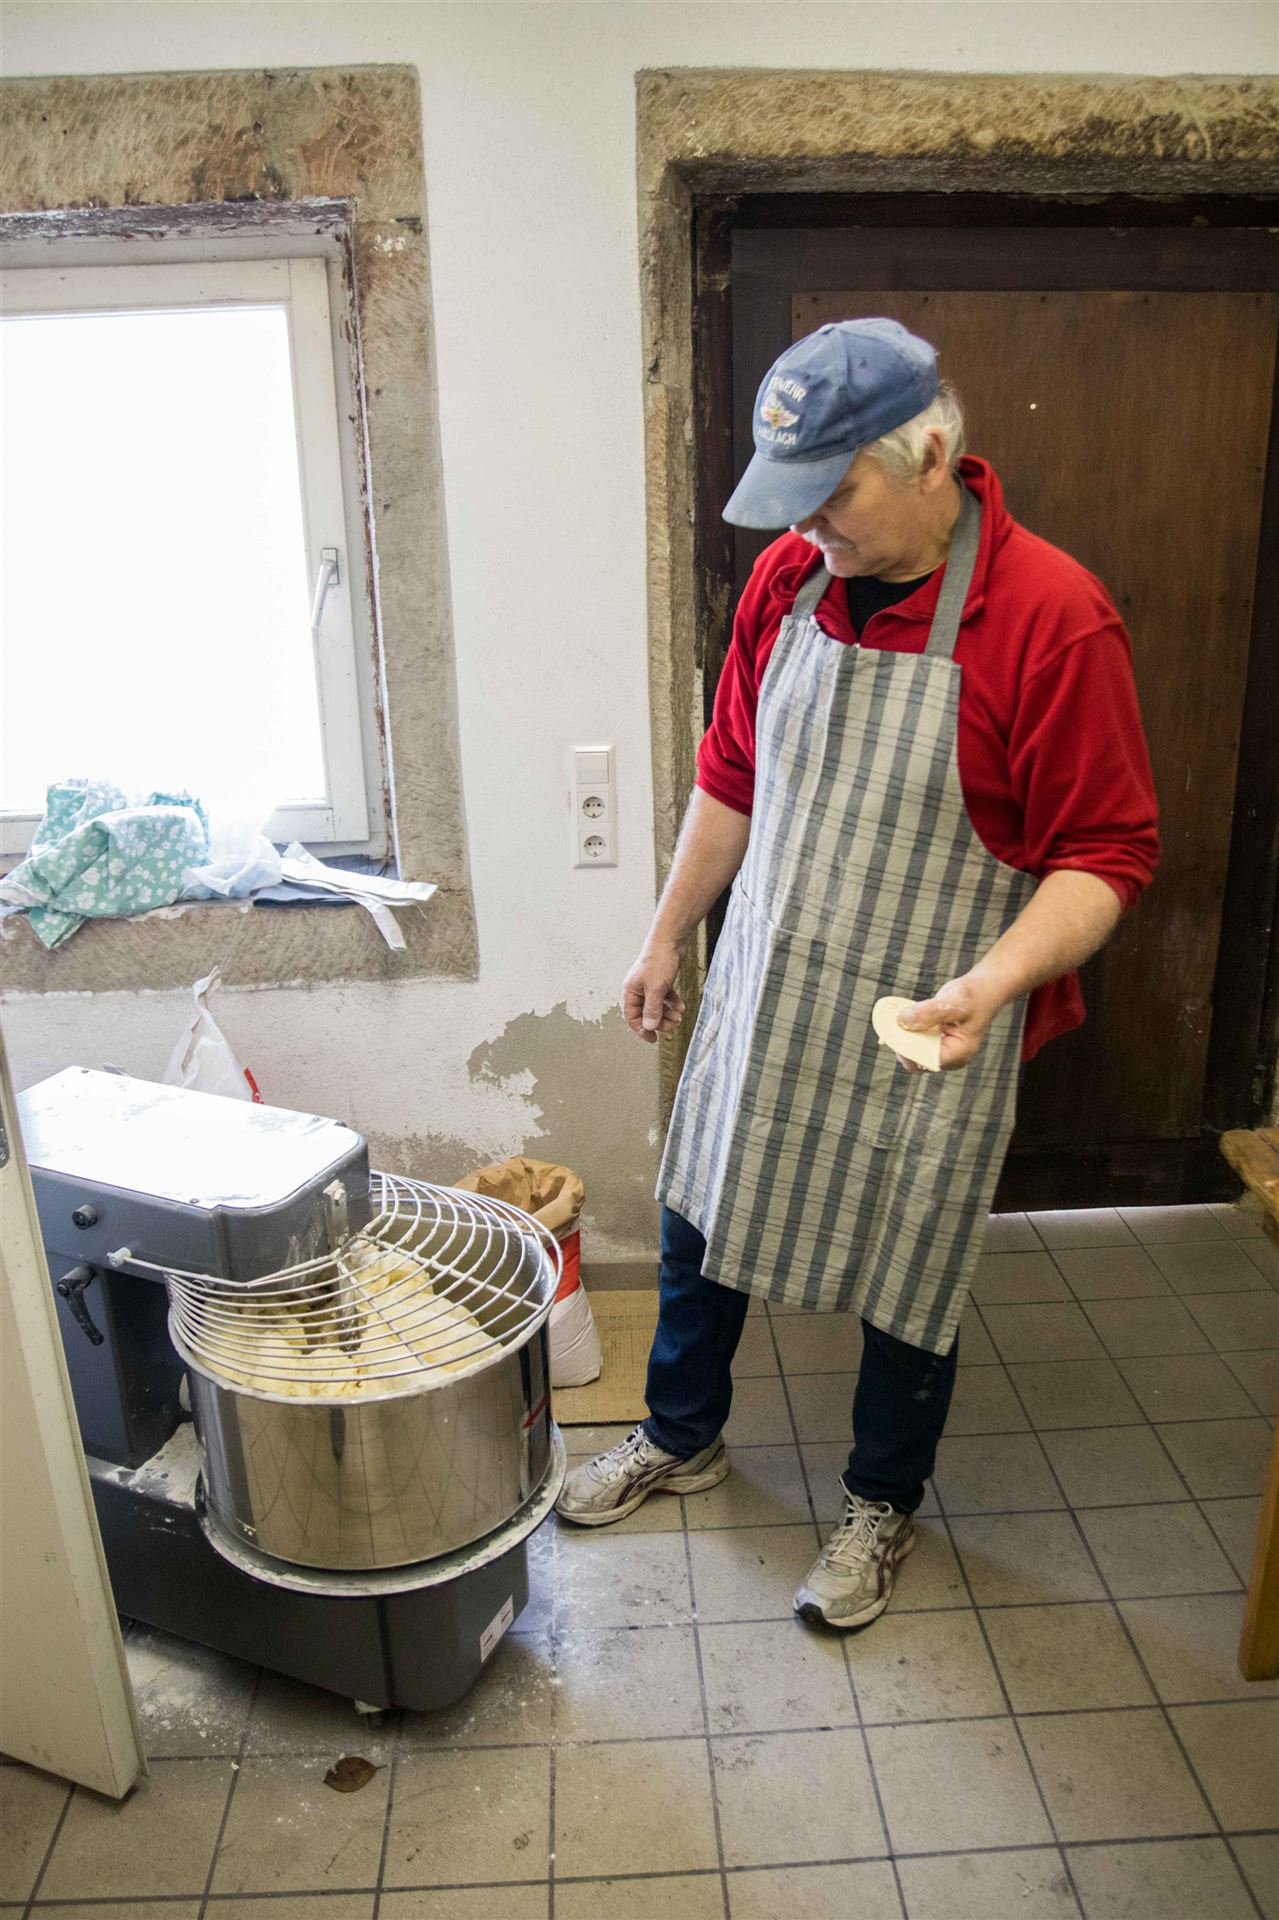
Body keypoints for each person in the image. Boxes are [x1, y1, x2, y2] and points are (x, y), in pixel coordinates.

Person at [556, 318, 1159, 1630]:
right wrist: (665, 936)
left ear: (932, 455)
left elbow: (1106, 856)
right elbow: (731, 776)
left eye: (832, 494)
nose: (805, 526)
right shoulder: (790, 580)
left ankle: (881, 1500)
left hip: (934, 1013)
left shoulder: (1051, 618)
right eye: (792, 499)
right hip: (770, 985)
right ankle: (680, 1433)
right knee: (701, 1210)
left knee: (911, 1261)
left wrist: (992, 985)